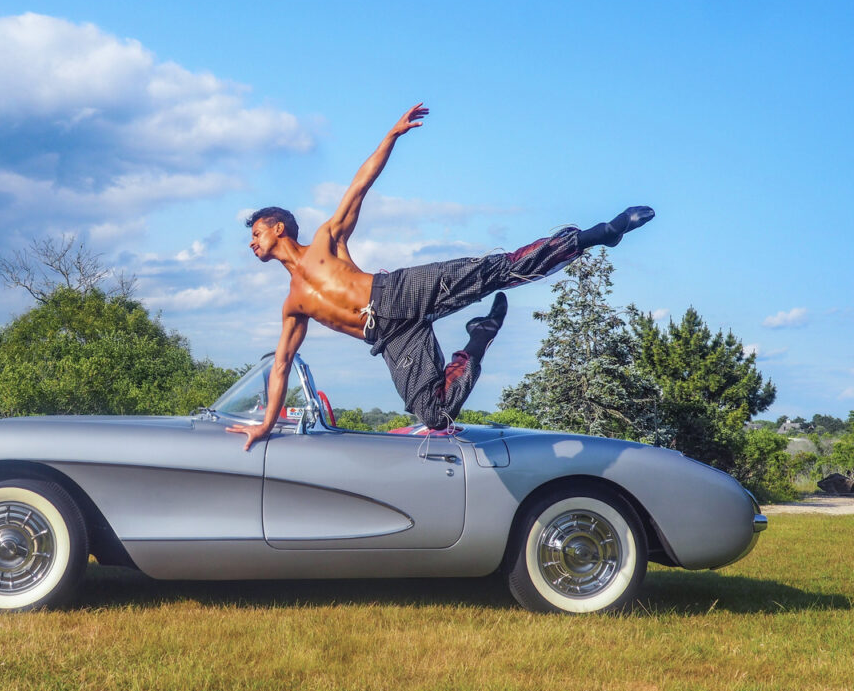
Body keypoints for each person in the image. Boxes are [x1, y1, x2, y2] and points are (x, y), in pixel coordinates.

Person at [227, 103, 654, 450]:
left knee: (496, 271)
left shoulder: (325, 241)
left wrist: (391, 136)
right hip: (390, 338)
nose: (253, 242)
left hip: (397, 293)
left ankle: (598, 235)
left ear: (278, 228)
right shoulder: (293, 304)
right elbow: (282, 365)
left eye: (257, 233)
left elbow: (359, 186)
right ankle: (479, 337)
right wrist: (265, 425)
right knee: (435, 416)